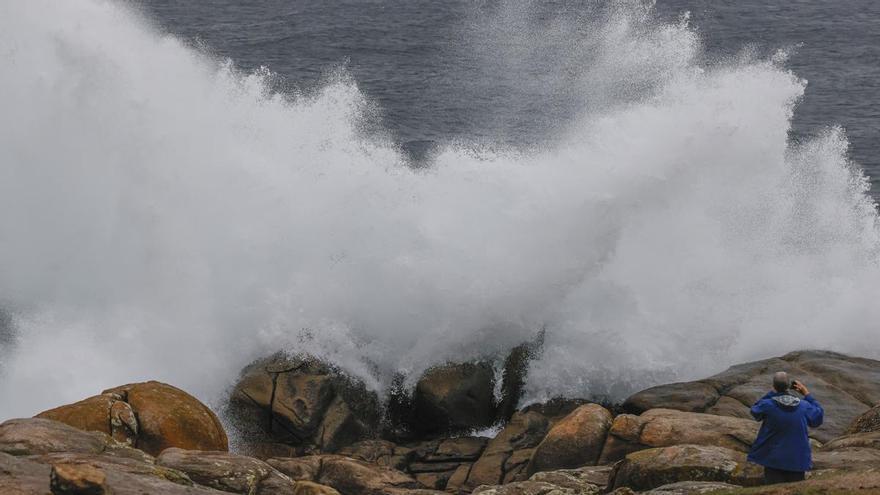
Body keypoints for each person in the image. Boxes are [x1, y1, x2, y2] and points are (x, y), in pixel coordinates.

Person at [747, 371, 824, 484]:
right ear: (789, 386)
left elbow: (755, 410)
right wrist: (807, 394)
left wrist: (771, 393)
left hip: (773, 459)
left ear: (774, 386)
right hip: (797, 459)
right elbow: (818, 418)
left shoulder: (767, 405)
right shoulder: (804, 406)